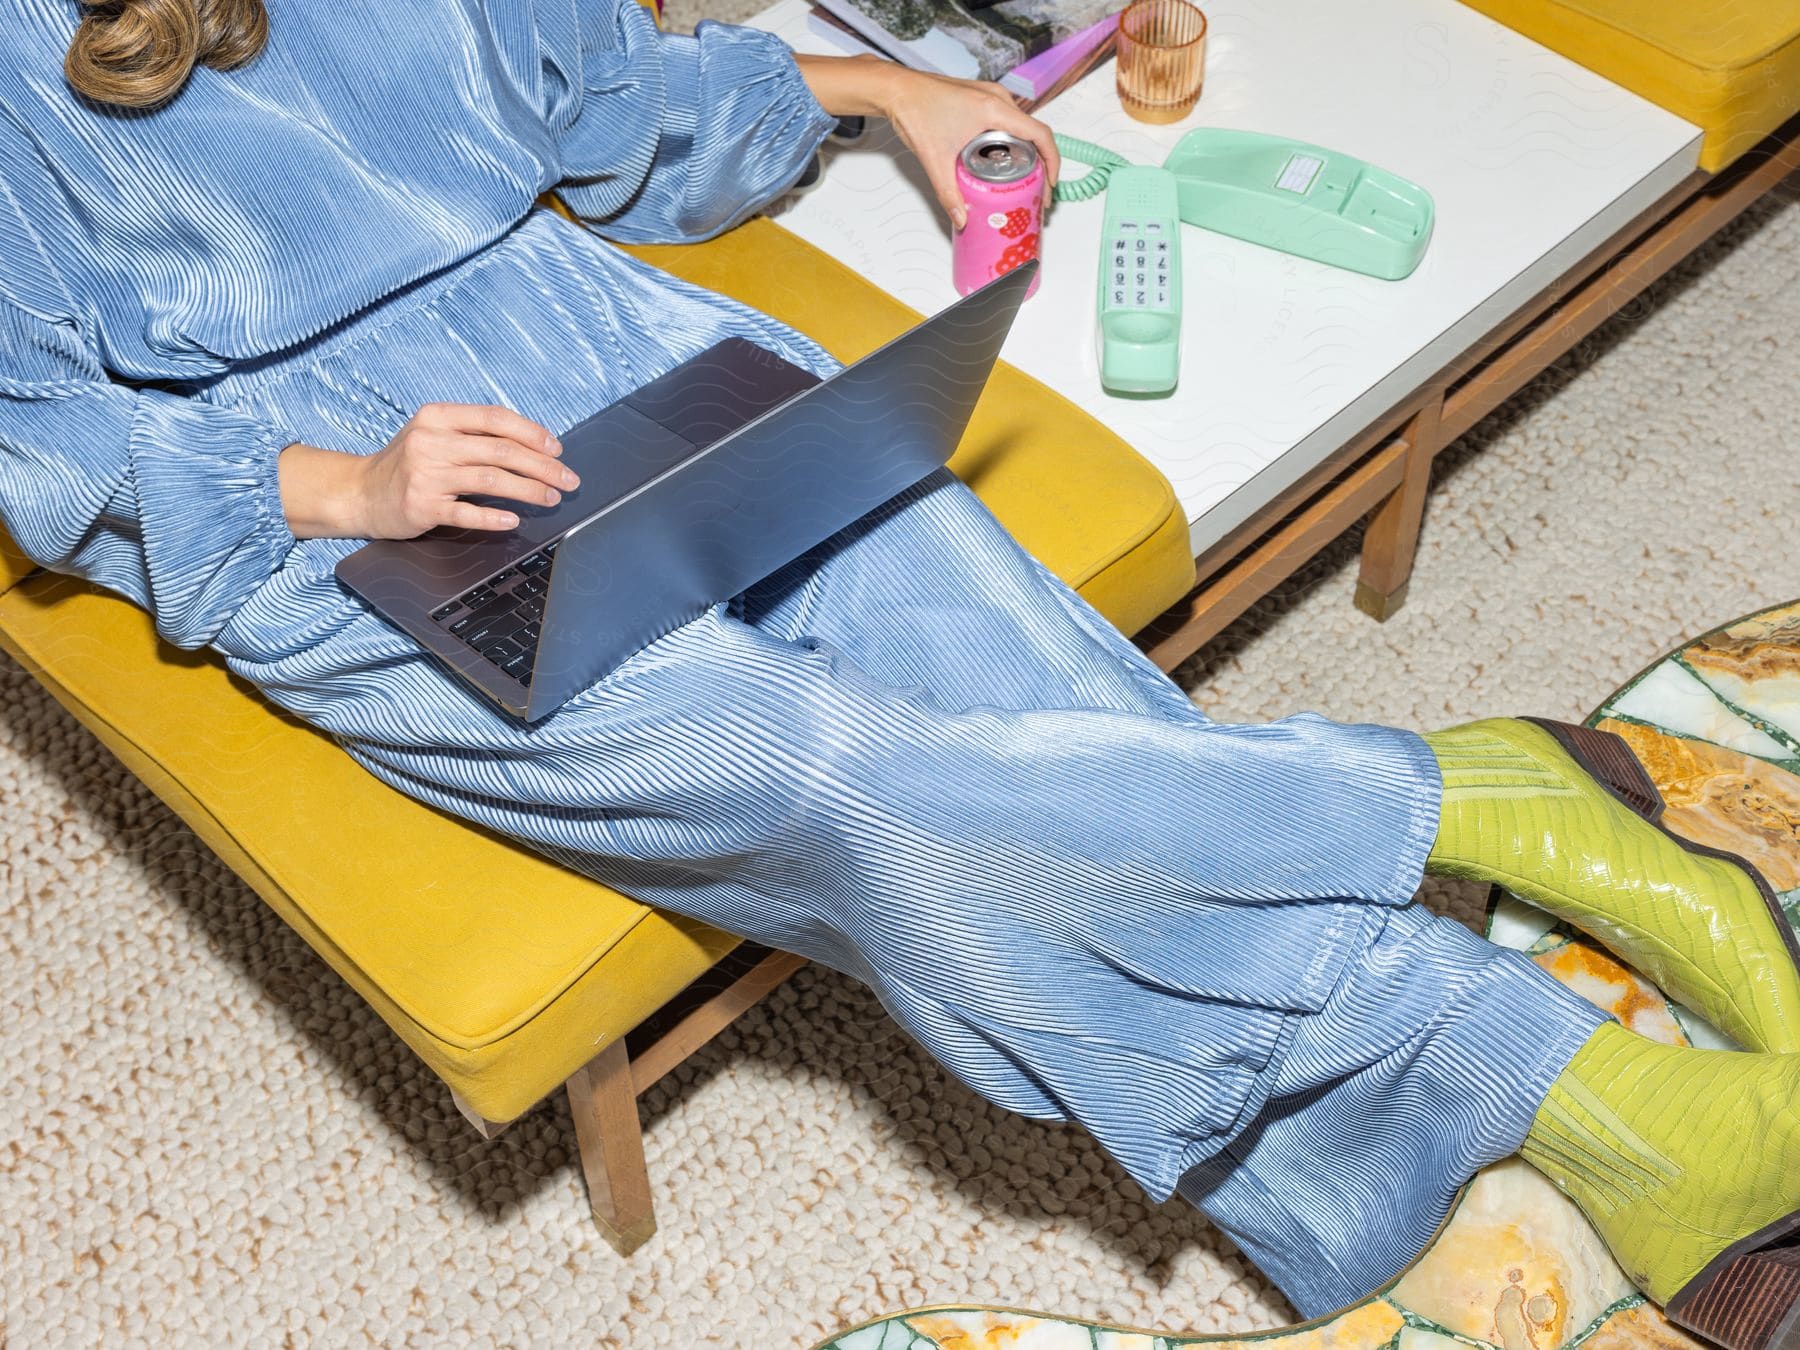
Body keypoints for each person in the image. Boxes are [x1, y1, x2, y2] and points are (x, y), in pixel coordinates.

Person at [1, 1, 1795, 1343]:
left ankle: (1531, 1184)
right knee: (852, 787)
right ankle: (1501, 863)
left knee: (1005, 660)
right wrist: (342, 485)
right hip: (319, 502)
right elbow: (38, 438)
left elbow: (610, 109)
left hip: (591, 325)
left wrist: (881, 89)